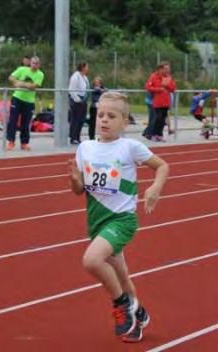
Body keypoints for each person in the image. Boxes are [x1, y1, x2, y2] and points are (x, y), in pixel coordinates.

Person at [68, 92, 169, 343]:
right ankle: (137, 315)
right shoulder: (85, 148)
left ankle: (122, 306)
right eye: (100, 115)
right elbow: (80, 191)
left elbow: (162, 166)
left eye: (111, 116)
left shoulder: (129, 147)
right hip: (97, 221)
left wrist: (155, 188)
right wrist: (76, 182)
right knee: (122, 278)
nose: (103, 120)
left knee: (92, 260)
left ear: (124, 122)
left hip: (122, 220)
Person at [6, 56, 45, 151]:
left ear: (39, 65)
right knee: (13, 121)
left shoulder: (40, 74)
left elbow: (34, 86)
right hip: (17, 98)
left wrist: (20, 84)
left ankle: (24, 143)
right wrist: (16, 82)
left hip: (29, 101)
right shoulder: (22, 70)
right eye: (33, 63)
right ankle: (11, 141)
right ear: (30, 63)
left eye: (36, 63)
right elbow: (11, 77)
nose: (34, 65)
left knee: (26, 123)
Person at [145, 62, 176, 142]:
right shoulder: (154, 76)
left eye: (168, 69)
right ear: (160, 69)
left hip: (166, 102)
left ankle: (160, 135)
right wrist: (159, 89)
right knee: (158, 118)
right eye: (165, 69)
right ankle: (154, 135)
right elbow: (148, 87)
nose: (167, 70)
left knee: (163, 120)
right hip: (157, 102)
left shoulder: (169, 77)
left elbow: (173, 89)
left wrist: (167, 85)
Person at [68, 62, 90, 144]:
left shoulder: (85, 77)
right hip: (77, 99)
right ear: (83, 67)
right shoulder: (75, 76)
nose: (88, 69)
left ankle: (77, 136)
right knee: (75, 119)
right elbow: (71, 89)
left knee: (81, 119)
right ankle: (73, 137)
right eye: (87, 67)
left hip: (83, 99)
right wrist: (77, 99)